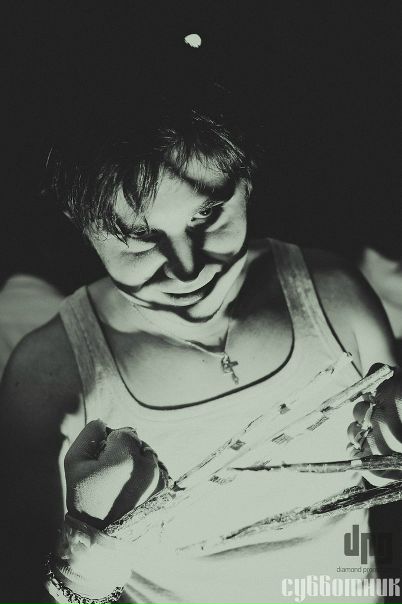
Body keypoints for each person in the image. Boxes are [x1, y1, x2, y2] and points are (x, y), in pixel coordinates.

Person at [1, 70, 401, 604]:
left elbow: (380, 494)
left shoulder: (334, 295)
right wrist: (87, 555)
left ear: (247, 181)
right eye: (139, 237)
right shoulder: (49, 376)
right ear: (81, 223)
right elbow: (22, 583)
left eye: (207, 213)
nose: (188, 268)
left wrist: (388, 464)